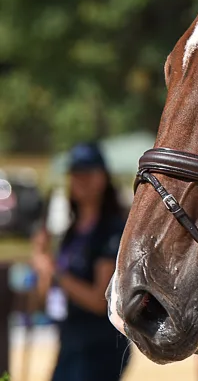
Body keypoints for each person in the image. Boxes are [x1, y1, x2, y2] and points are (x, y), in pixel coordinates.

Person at [31, 142, 131, 381]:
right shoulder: (70, 233)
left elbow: (100, 300)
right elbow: (42, 300)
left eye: (87, 173)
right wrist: (41, 263)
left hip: (100, 346)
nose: (80, 180)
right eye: (76, 174)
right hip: (69, 341)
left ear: (103, 178)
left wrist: (55, 273)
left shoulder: (112, 231)